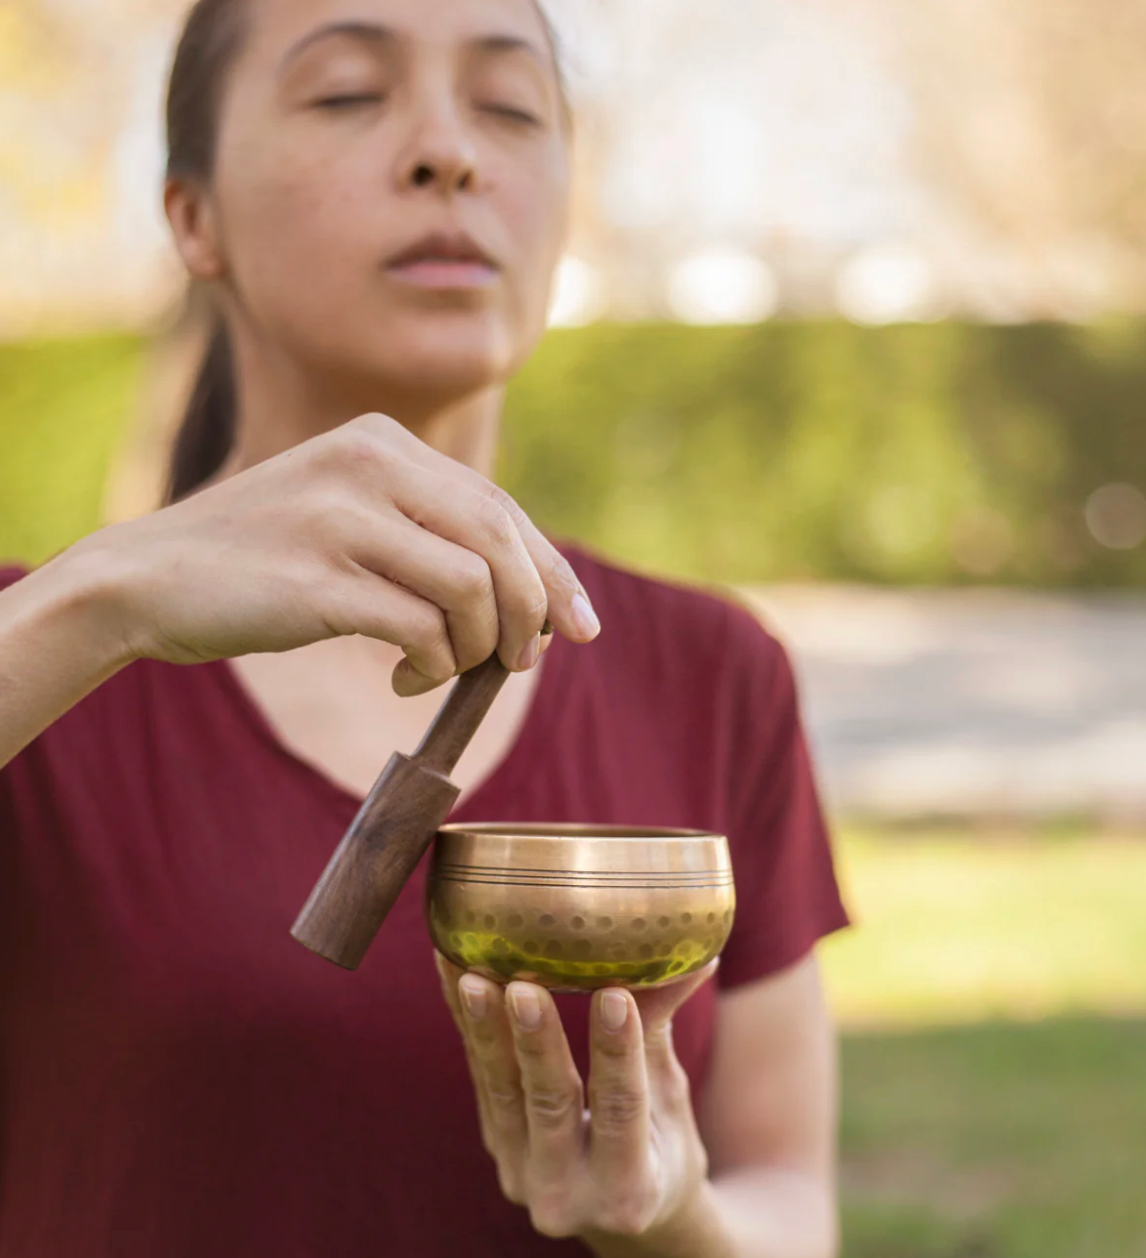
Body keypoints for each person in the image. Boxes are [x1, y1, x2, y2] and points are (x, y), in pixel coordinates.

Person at [0, 1, 850, 1254]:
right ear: (193, 214)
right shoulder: (47, 646)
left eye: (510, 106)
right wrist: (105, 596)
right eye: (348, 94)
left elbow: (792, 1193)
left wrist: (676, 1219)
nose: (449, 151)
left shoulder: (714, 671)